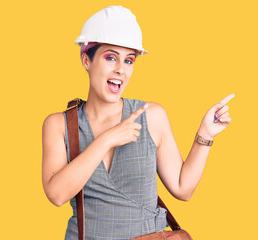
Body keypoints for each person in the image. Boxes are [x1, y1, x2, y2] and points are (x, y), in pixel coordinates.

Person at [42, 5, 235, 240]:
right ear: (86, 60)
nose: (120, 70)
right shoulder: (60, 125)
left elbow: (183, 189)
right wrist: (106, 140)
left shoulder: (151, 115)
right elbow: (56, 195)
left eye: (129, 60)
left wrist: (205, 134)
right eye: (110, 57)